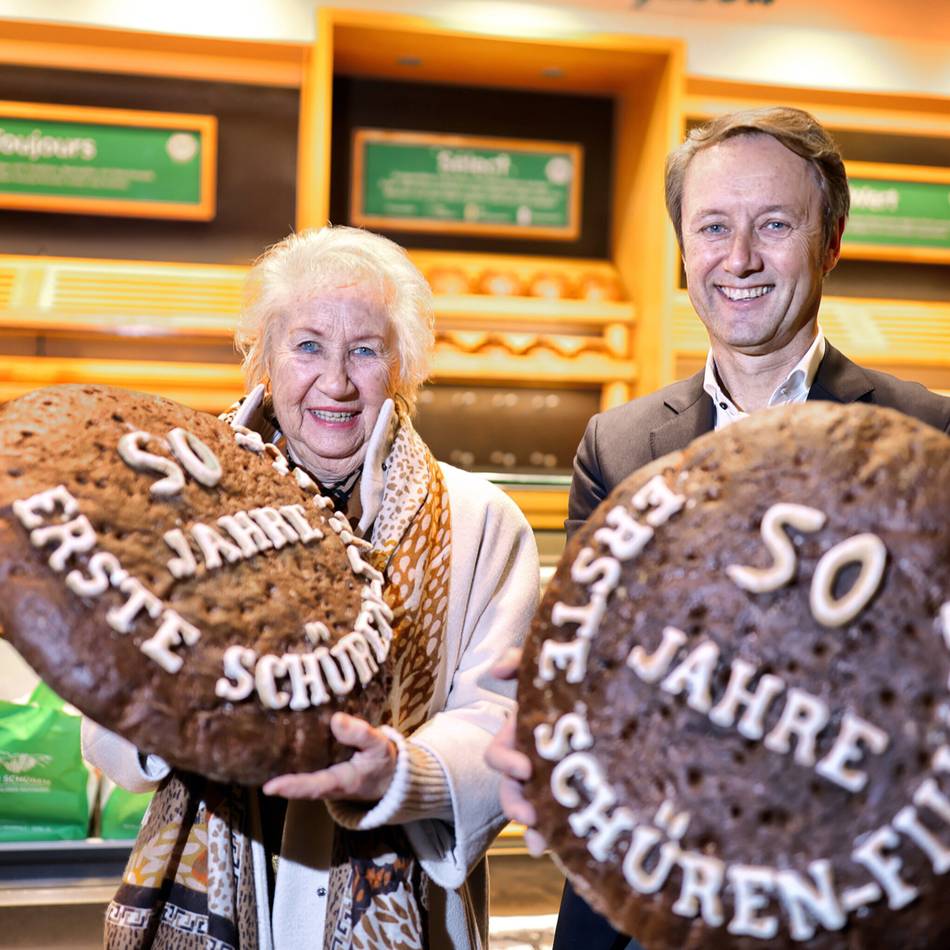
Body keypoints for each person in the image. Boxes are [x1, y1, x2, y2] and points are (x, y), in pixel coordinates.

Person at [485, 106, 950, 950]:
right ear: (684, 248)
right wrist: (550, 732)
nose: (738, 259)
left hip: (849, 901)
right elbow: (590, 672)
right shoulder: (619, 444)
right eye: (712, 228)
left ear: (830, 242)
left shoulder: (927, 438)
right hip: (649, 898)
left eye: (773, 225)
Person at [83, 225, 540, 950]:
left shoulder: (481, 520)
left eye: (365, 350)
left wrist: (400, 774)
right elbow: (106, 724)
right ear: (263, 360)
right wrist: (181, 708)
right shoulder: (180, 506)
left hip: (409, 906)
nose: (336, 382)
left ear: (402, 368)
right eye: (307, 346)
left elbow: (500, 718)